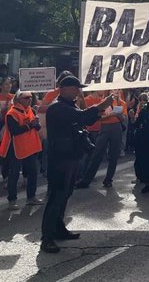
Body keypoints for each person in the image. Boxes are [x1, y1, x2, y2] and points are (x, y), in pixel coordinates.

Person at [40, 76, 115, 254]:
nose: (78, 91)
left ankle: (58, 229)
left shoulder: (69, 105)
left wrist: (99, 109)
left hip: (71, 157)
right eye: (75, 88)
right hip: (60, 160)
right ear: (64, 88)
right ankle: (47, 237)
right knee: (56, 197)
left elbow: (86, 120)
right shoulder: (57, 107)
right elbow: (82, 116)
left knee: (65, 195)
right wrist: (102, 105)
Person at [0, 90, 43, 210]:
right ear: (18, 99)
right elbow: (15, 131)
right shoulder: (11, 113)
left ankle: (31, 197)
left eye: (30, 97)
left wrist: (36, 123)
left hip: (30, 147)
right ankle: (12, 201)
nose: (29, 99)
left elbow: (37, 127)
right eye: (26, 97)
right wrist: (31, 124)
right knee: (14, 175)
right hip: (16, 148)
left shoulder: (31, 110)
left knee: (33, 173)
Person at [76, 91, 127, 189]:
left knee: (114, 155)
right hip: (104, 127)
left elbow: (123, 119)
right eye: (113, 92)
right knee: (97, 153)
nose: (115, 93)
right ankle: (86, 180)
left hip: (116, 128)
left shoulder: (122, 103)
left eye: (117, 91)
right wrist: (110, 115)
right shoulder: (103, 102)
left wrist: (118, 114)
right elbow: (98, 118)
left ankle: (108, 179)